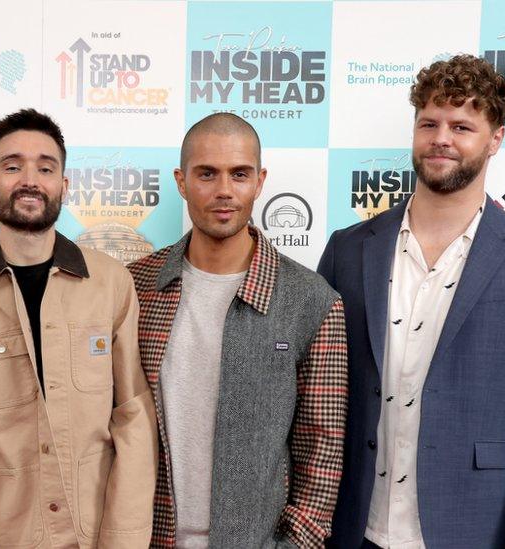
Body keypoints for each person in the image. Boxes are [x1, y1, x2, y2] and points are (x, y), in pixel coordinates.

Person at [0, 108, 157, 548]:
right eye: (12, 166)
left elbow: (134, 422)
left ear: (64, 185)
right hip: (2, 535)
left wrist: (122, 540)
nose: (30, 179)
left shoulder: (112, 285)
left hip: (95, 532)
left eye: (45, 167)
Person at [319, 54, 505, 548]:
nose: (442, 138)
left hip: (474, 527)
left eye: (462, 126)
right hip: (353, 527)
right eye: (429, 123)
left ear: (495, 139)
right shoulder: (348, 249)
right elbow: (314, 400)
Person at [128, 113, 348, 548]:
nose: (224, 190)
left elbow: (322, 450)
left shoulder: (312, 301)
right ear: (181, 181)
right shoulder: (135, 288)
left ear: (260, 181)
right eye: (207, 173)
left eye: (239, 174)